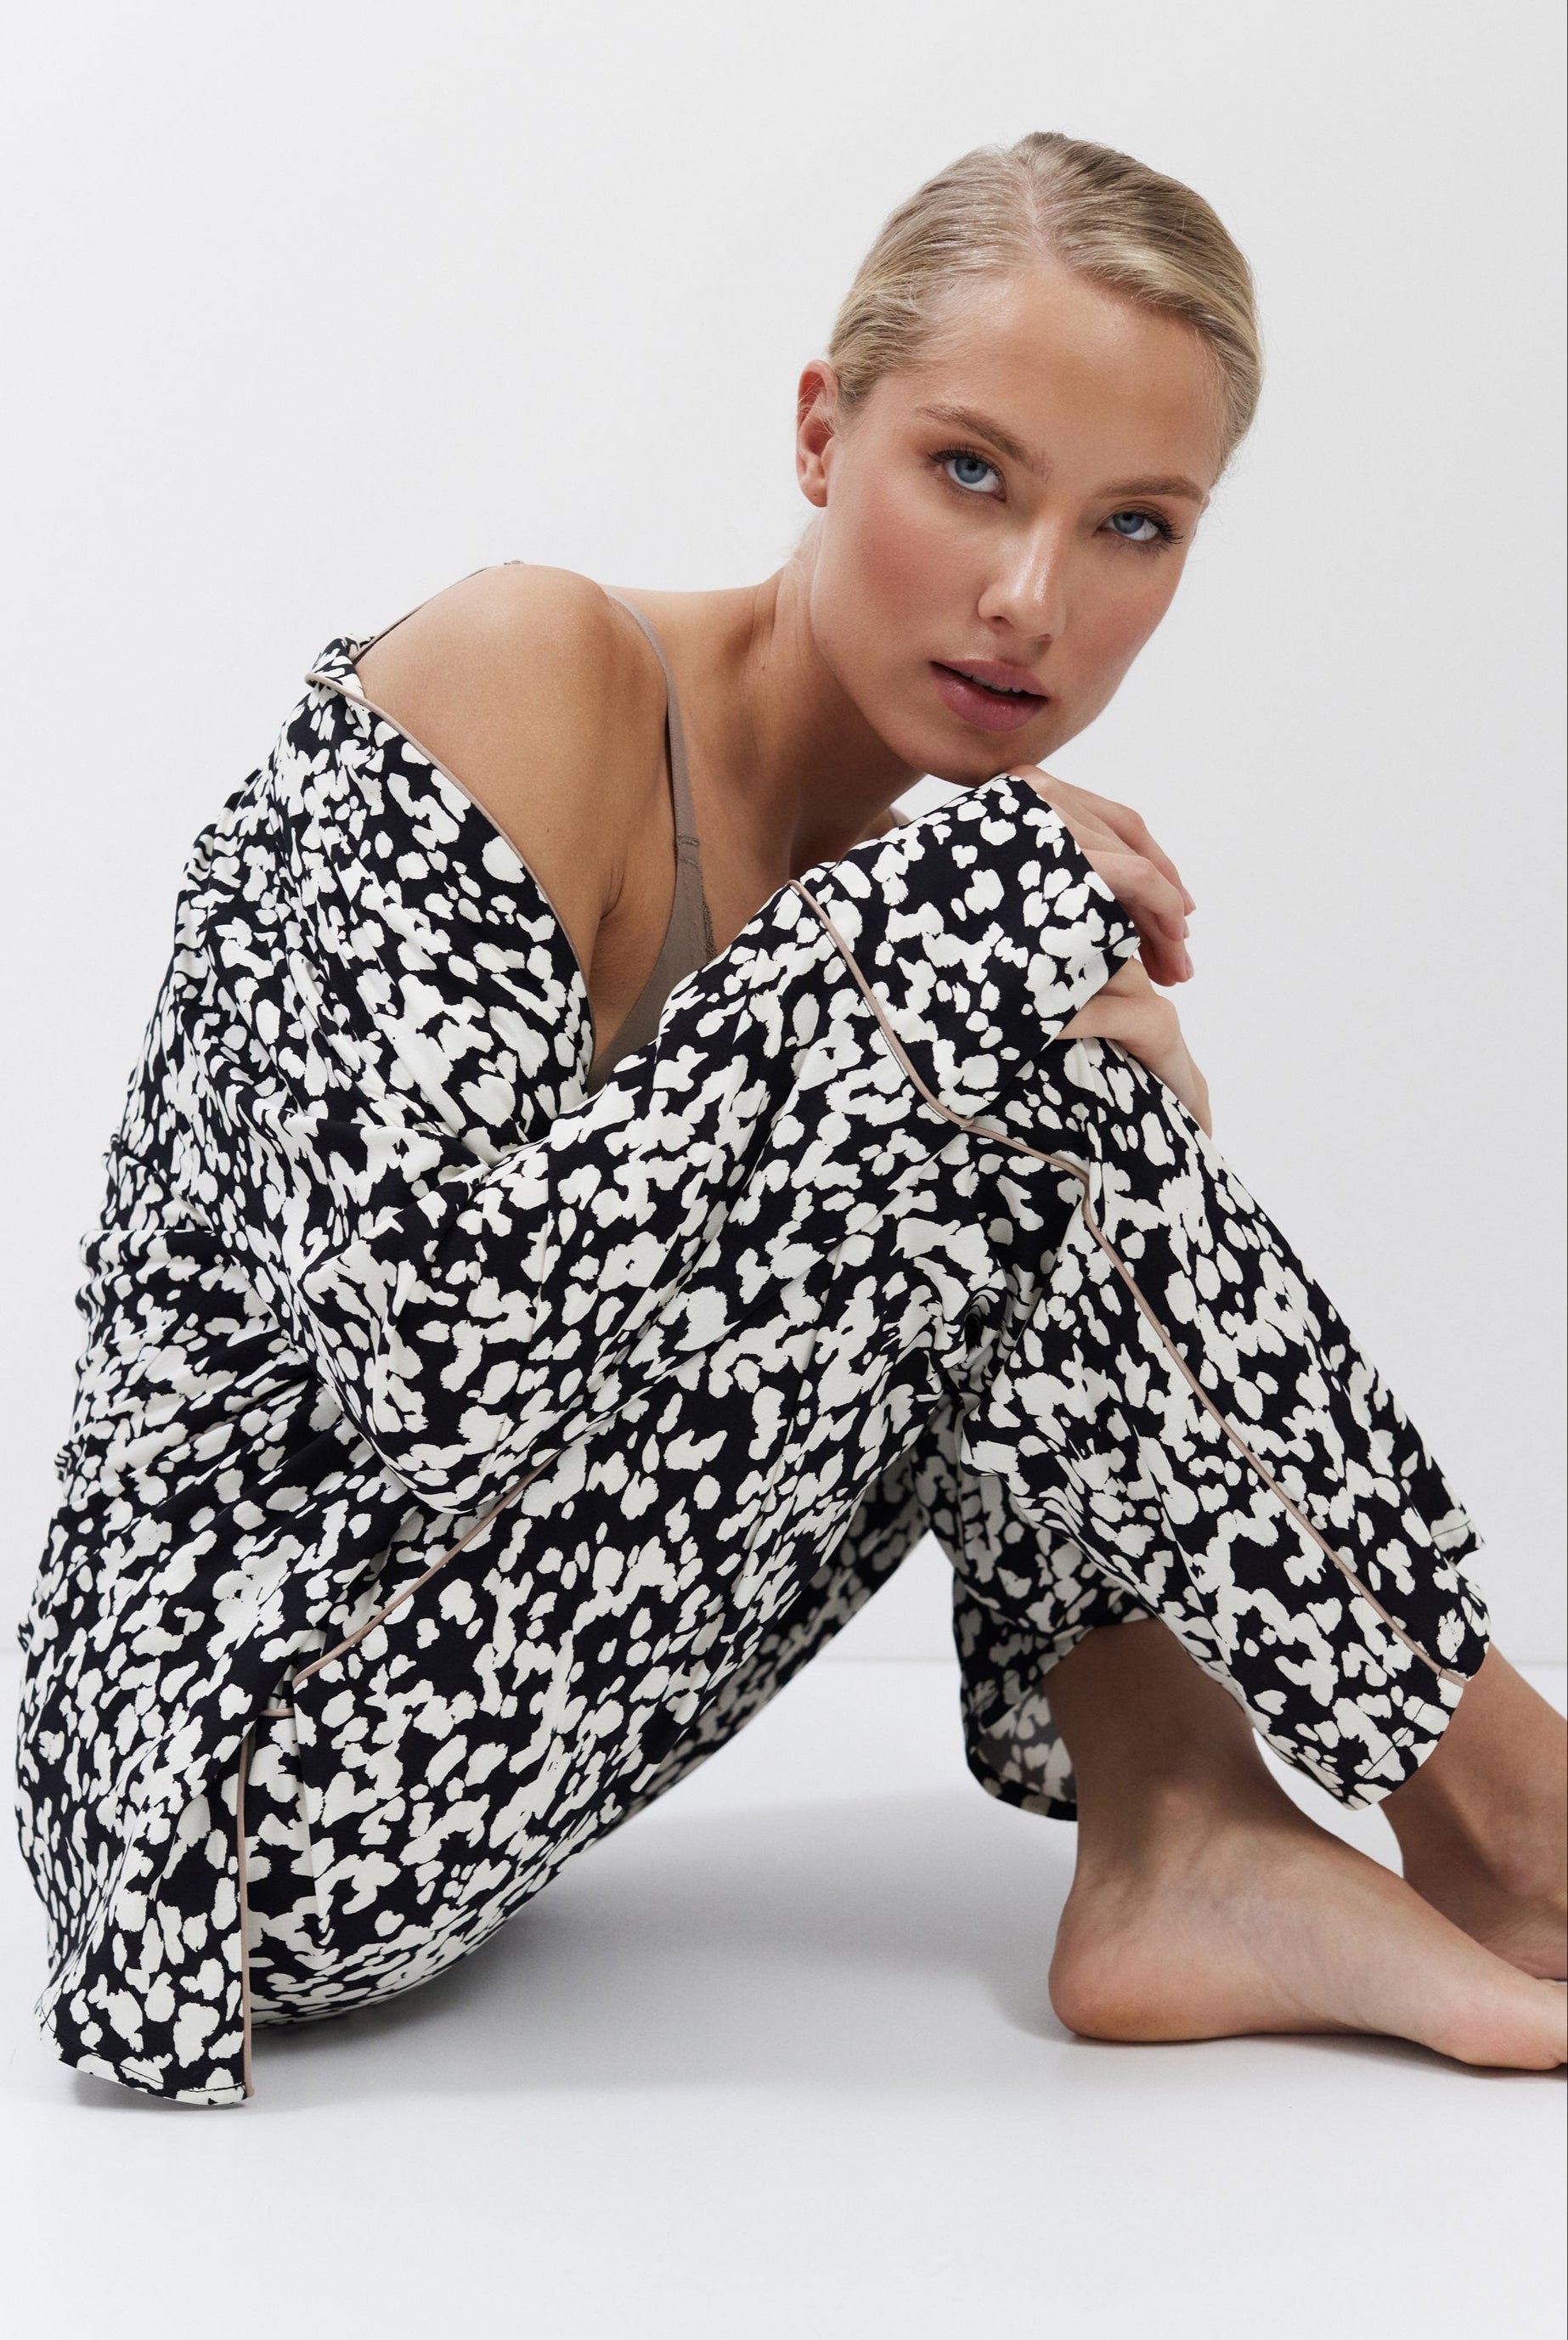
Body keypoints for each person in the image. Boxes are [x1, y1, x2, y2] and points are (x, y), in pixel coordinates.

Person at [15, 131, 1565, 2108]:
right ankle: (1513, 1823)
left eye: (1134, 527)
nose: (1030, 599)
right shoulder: (524, 673)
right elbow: (428, 1364)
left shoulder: (902, 902)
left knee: (1024, 1100)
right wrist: (925, 940)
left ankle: (1183, 1830)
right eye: (970, 472)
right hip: (241, 1780)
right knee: (1001, 1102)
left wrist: (965, 995)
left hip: (514, 1748)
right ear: (823, 434)